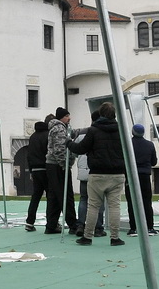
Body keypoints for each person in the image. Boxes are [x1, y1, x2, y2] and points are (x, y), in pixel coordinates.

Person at [66, 101, 125, 247]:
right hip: (117, 173)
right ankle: (115, 237)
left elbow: (81, 148)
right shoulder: (121, 130)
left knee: (93, 205)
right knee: (115, 206)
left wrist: (68, 143)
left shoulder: (93, 130)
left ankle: (87, 236)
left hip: (97, 173)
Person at [44, 106, 78, 234]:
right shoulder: (59, 129)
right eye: (67, 116)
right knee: (66, 195)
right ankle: (73, 224)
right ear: (61, 118)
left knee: (54, 195)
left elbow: (73, 133)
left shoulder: (60, 128)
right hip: (58, 165)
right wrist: (65, 164)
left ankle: (51, 225)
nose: (69, 118)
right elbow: (59, 149)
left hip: (52, 165)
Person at [73, 111, 105, 237]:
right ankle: (98, 227)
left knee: (83, 199)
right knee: (98, 200)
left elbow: (75, 152)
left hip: (83, 172)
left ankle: (80, 224)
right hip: (96, 171)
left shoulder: (81, 135)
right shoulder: (99, 134)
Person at [124, 124, 158, 236]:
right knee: (147, 202)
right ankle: (150, 227)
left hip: (131, 176)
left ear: (133, 132)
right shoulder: (149, 145)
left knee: (132, 202)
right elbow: (154, 162)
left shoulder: (128, 144)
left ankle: (133, 228)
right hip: (144, 175)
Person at [23, 117, 51, 231]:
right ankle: (51, 222)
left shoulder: (33, 137)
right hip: (46, 168)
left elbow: (29, 155)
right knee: (51, 196)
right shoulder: (48, 135)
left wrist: (30, 170)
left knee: (35, 196)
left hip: (35, 170)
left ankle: (29, 222)